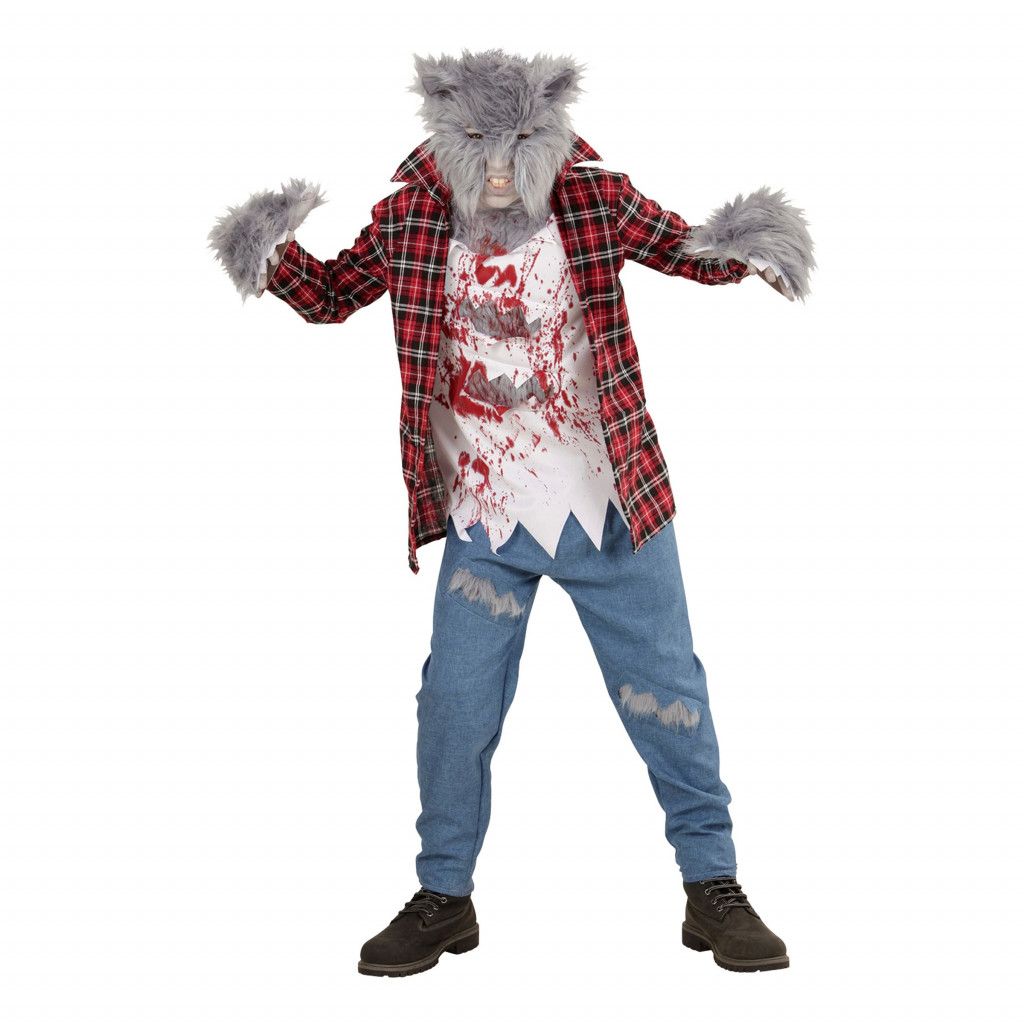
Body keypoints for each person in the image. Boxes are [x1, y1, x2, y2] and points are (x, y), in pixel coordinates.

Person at [209, 48, 814, 976]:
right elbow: (331, 295)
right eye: (477, 144)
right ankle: (444, 896)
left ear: (550, 137)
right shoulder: (411, 217)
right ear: (445, 141)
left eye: (519, 143)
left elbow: (682, 249)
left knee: (668, 698)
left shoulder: (593, 199)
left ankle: (713, 885)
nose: (498, 167)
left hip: (611, 511)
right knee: (453, 706)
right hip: (485, 525)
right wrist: (268, 250)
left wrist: (752, 245)